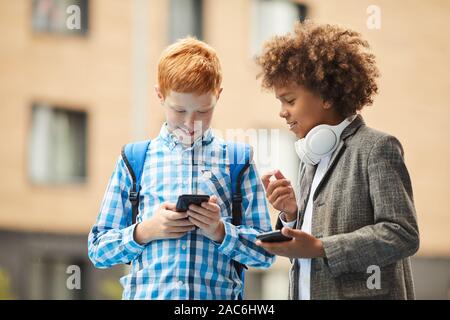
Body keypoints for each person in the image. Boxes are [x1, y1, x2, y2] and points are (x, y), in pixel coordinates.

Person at [88, 37, 274, 300]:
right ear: (160, 96)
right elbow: (97, 250)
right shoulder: (135, 159)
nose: (190, 122)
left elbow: (266, 253)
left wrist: (221, 231)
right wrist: (145, 231)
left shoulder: (238, 161)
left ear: (217, 96)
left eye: (202, 111)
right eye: (179, 110)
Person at [255, 21, 420, 299]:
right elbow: (309, 245)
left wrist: (322, 248)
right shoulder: (313, 157)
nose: (282, 112)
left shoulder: (376, 148)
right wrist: (292, 215)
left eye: (289, 100)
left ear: (327, 96)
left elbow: (402, 233)